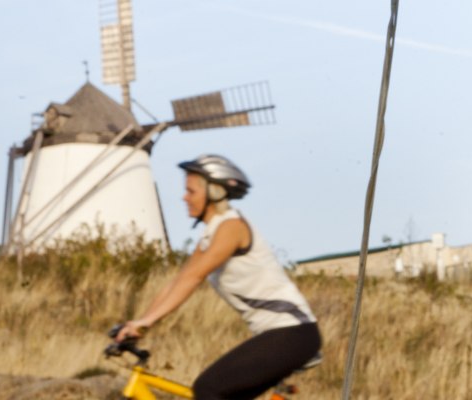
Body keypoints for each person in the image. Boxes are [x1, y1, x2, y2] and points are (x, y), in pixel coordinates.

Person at [115, 154, 321, 400]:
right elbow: (179, 281)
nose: (184, 197)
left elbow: (194, 278)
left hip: (292, 333)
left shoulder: (231, 227)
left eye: (191, 191)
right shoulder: (210, 235)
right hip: (282, 335)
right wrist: (140, 323)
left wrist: (146, 322)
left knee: (208, 389)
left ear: (213, 192)